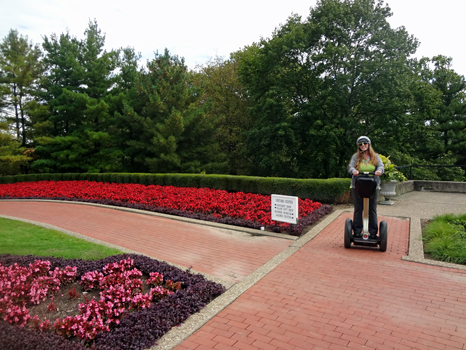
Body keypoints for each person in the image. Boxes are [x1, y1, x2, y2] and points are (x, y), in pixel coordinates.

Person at [348, 136, 384, 239]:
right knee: (358, 208)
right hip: (357, 185)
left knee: (372, 209)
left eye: (365, 143)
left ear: (368, 144)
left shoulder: (375, 156)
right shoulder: (356, 157)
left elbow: (381, 166)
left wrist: (379, 171)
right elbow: (350, 167)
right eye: (361, 144)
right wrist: (353, 171)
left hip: (373, 186)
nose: (363, 145)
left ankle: (373, 233)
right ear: (358, 146)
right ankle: (357, 232)